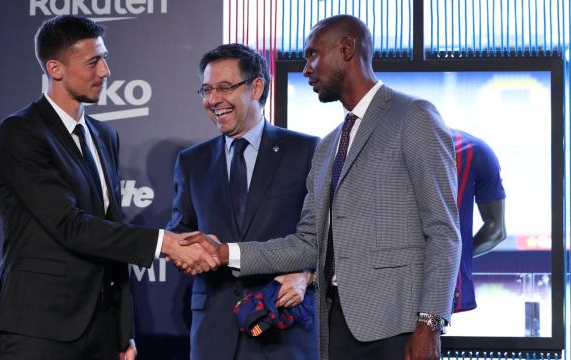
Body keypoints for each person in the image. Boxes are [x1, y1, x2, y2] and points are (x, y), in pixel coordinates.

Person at [184, 15, 461, 360]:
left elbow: (443, 231)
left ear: (347, 49)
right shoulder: (329, 145)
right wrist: (225, 253)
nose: (306, 69)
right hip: (335, 331)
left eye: (312, 55)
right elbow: (307, 243)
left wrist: (429, 324)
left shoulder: (412, 115)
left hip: (398, 328)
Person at [0, 15, 217, 360]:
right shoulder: (21, 132)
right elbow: (70, 225)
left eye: (105, 58)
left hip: (101, 328)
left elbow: (110, 231)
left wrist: (122, 330)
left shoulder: (104, 135)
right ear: (55, 68)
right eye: (93, 61)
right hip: (39, 329)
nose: (106, 72)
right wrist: (166, 243)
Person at [167, 43, 319, 360]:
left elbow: (324, 239)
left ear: (257, 87)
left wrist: (306, 275)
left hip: (283, 329)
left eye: (224, 88)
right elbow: (181, 229)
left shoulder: (306, 151)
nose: (213, 100)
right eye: (206, 90)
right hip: (214, 333)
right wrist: (184, 249)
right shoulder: (192, 162)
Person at [451, 129, 506, 313]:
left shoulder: (473, 150)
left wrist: (448, 258)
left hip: (440, 293)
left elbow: (496, 230)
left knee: (430, 330)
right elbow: (496, 230)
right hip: (383, 290)